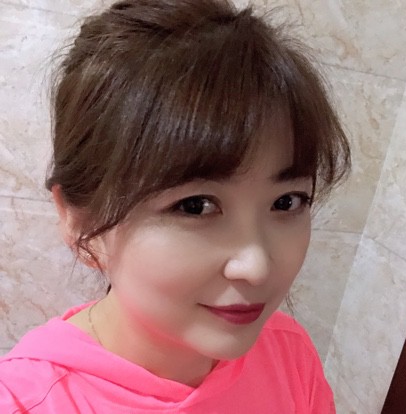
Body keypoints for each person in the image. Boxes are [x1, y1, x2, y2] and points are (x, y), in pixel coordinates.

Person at [0, 0, 351, 412]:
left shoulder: (289, 353)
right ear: (80, 220)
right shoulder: (25, 401)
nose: (257, 267)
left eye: (287, 201)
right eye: (195, 206)